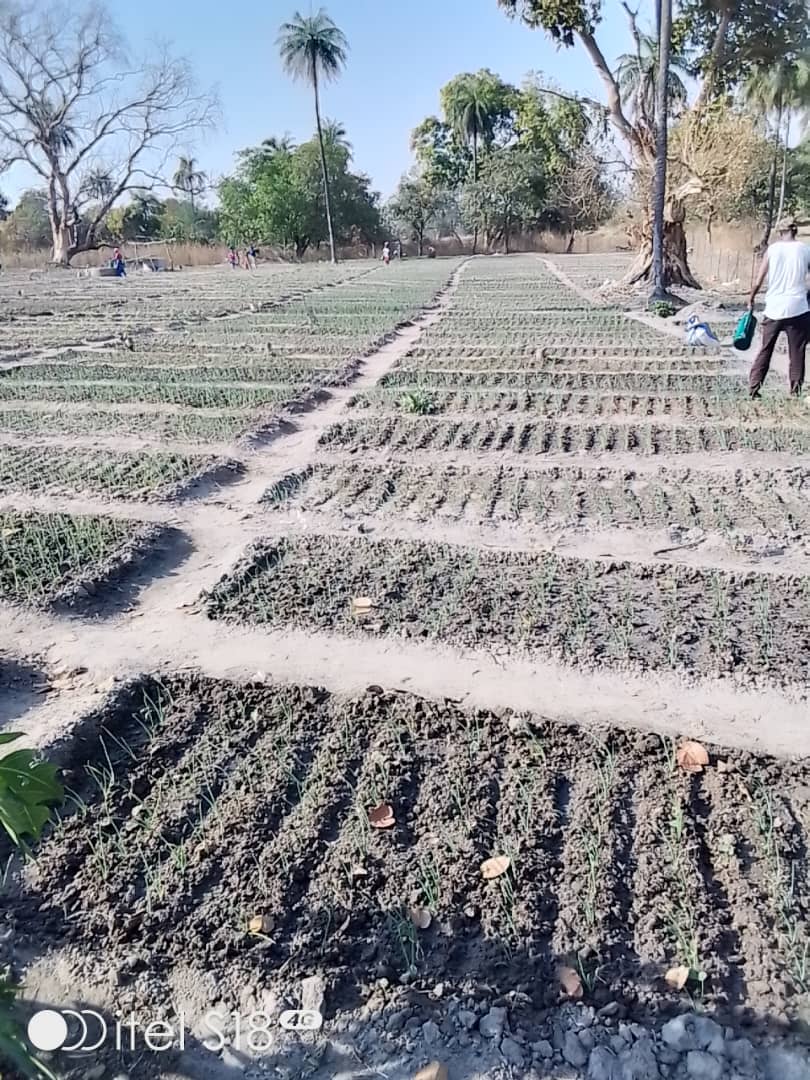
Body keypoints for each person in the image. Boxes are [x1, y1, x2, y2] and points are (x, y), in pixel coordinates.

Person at [748, 217, 810, 397]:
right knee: (797, 352)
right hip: (798, 307)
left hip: (774, 307)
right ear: (795, 231)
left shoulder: (773, 250)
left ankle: (753, 389)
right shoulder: (805, 250)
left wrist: (751, 298)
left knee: (765, 349)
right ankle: (795, 391)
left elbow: (758, 280)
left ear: (780, 232)